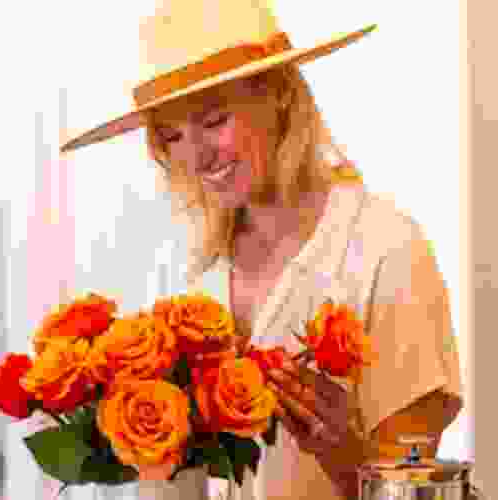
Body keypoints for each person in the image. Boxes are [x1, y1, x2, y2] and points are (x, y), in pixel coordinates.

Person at [59, 1, 464, 499]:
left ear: (277, 96)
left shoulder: (385, 251)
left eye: (214, 121)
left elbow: (417, 492)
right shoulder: (194, 270)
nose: (196, 155)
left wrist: (346, 453)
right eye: (171, 136)